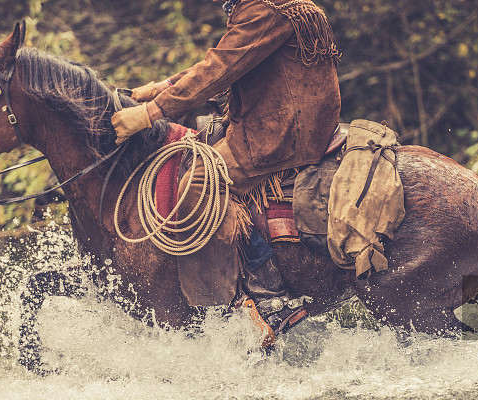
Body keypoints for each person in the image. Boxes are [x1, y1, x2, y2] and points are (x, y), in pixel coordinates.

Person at [111, 0, 341, 337]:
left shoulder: (263, 8)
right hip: (293, 121)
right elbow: (229, 58)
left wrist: (149, 113)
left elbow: (220, 68)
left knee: (200, 181)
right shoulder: (277, 5)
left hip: (281, 131)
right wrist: (165, 86)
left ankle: (269, 294)